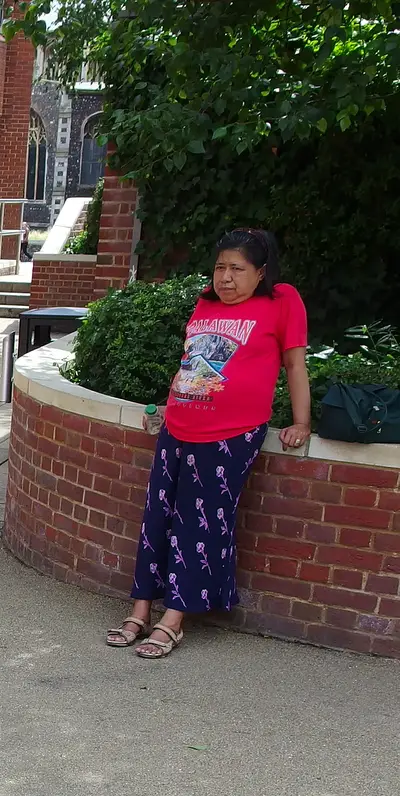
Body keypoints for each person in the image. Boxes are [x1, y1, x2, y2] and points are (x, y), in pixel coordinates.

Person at [106, 228, 311, 658]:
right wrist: (166, 404)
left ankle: (174, 619)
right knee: (156, 517)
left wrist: (301, 422)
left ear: (261, 273)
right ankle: (140, 609)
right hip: (178, 425)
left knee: (197, 524)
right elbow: (193, 362)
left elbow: (294, 364)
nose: (226, 277)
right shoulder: (205, 303)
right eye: (220, 267)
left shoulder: (281, 302)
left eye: (237, 269)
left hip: (231, 434)